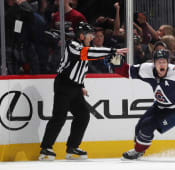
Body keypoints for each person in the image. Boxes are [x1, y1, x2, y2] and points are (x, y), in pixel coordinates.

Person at [39, 22, 128, 161]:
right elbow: (86, 55)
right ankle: (46, 148)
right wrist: (113, 50)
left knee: (83, 116)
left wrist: (81, 85)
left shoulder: (85, 47)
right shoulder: (73, 45)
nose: (92, 37)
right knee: (59, 117)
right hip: (64, 86)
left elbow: (80, 69)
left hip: (75, 87)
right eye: (89, 35)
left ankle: (72, 147)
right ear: (81, 36)